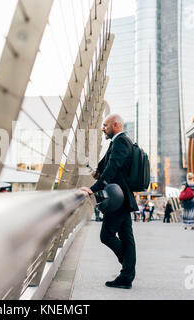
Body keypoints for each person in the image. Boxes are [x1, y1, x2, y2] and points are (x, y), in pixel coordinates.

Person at [80, 114, 138, 290]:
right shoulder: (117, 142)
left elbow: (113, 168)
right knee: (127, 237)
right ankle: (127, 275)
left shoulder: (121, 142)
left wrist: (93, 188)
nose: (103, 128)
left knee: (106, 235)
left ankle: (127, 269)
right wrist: (97, 173)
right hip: (120, 196)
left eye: (105, 125)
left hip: (117, 197)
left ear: (115, 125)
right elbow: (109, 167)